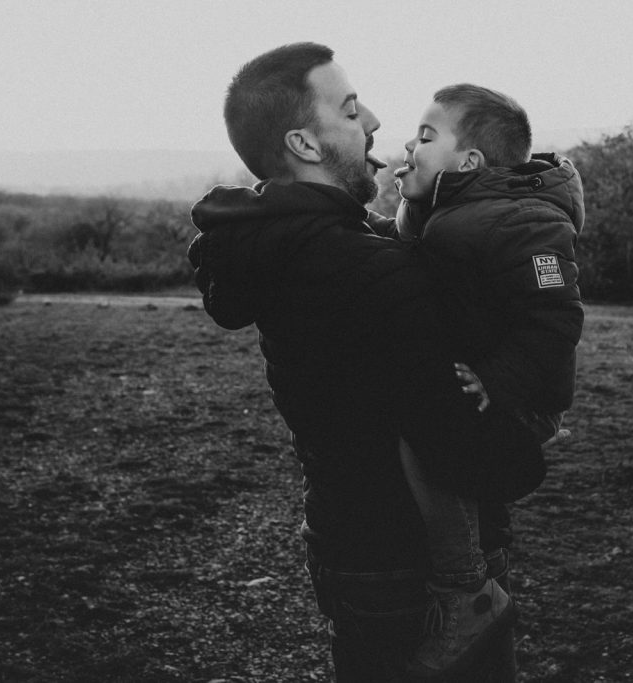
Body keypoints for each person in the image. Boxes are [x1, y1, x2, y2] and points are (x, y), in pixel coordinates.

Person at [186, 42, 527, 681]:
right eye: (348, 110)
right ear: (305, 146)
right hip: (413, 568)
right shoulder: (366, 269)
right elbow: (451, 433)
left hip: (348, 541)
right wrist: (524, 445)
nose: (372, 120)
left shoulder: (279, 246)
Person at [389, 85, 585, 677]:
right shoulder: (450, 213)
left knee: (424, 440)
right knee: (427, 429)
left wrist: (497, 380)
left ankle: (466, 590)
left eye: (426, 137)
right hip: (483, 383)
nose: (409, 144)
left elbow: (556, 317)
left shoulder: (520, 220)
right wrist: (404, 209)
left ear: (469, 163)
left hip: (522, 395)